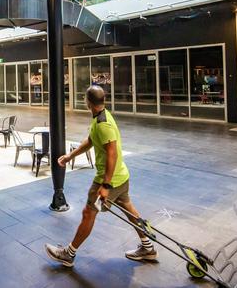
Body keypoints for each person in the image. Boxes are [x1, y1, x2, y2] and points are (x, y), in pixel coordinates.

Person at [45, 85, 157, 267]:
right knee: (129, 211)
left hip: (108, 180)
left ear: (87, 102)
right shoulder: (101, 117)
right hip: (121, 176)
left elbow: (111, 153)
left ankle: (68, 254)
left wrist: (105, 186)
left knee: (88, 213)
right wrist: (69, 156)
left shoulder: (103, 124)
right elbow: (90, 140)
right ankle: (148, 247)